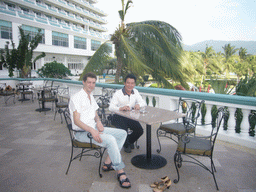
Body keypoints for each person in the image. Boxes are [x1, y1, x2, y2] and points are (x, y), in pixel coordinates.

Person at [69, 72, 131, 188]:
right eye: (89, 82)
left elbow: (95, 113)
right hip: (82, 133)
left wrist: (98, 122)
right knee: (111, 140)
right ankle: (120, 171)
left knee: (122, 133)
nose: (91, 85)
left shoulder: (90, 96)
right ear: (83, 82)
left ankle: (108, 162)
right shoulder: (76, 98)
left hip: (93, 128)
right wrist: (92, 130)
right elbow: (77, 121)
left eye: (93, 83)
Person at [109, 74, 146, 153]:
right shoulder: (118, 93)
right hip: (118, 116)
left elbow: (143, 102)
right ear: (124, 83)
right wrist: (120, 108)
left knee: (140, 130)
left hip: (130, 116)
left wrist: (139, 105)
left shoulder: (135, 92)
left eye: (132, 83)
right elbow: (110, 107)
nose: (130, 85)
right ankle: (126, 145)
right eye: (128, 83)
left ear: (134, 84)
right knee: (124, 131)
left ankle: (128, 141)